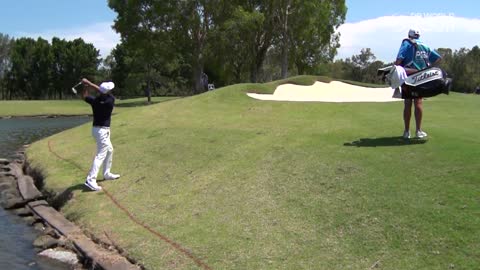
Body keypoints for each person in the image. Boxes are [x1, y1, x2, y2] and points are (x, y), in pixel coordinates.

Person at [395, 29, 442, 139]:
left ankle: (406, 132)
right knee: (418, 103)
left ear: (409, 35)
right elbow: (438, 57)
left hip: (408, 77)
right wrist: (428, 66)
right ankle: (418, 131)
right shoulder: (424, 45)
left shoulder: (406, 43)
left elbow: (399, 60)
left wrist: (396, 68)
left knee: (407, 103)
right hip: (421, 77)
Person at [82, 78, 120, 191]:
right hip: (102, 131)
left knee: (110, 150)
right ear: (108, 92)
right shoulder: (110, 100)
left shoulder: (95, 100)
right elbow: (101, 90)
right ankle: (91, 179)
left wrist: (86, 86)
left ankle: (106, 173)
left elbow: (84, 96)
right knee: (100, 155)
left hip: (96, 130)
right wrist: (89, 83)